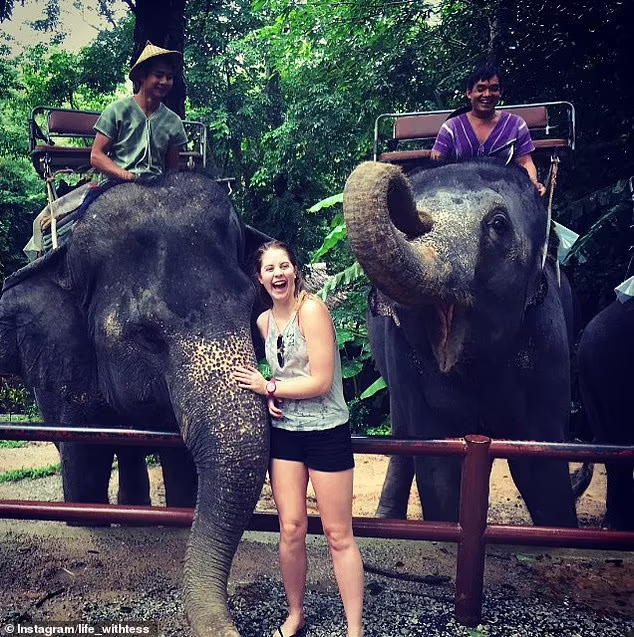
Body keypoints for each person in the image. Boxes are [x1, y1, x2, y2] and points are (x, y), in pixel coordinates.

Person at [233, 240, 364, 637]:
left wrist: (270, 388)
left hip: (326, 433)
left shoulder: (312, 311)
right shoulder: (263, 323)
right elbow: (282, 375)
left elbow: (321, 381)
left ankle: (354, 629)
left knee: (338, 534)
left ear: (295, 271)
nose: (278, 274)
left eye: (284, 266)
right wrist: (271, 396)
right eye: (270, 269)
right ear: (260, 278)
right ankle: (295, 615)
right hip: (286, 436)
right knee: (291, 528)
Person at [431, 65, 546, 195]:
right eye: (480, 89)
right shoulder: (451, 128)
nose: (487, 94)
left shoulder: (516, 125)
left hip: (506, 194)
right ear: (469, 93)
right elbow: (437, 166)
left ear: (500, 92)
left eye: (494, 89)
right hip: (461, 195)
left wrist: (533, 183)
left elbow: (525, 162)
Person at [90, 40, 188, 184]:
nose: (164, 81)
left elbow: (172, 169)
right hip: (118, 184)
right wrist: (128, 176)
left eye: (169, 77)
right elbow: (96, 156)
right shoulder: (117, 110)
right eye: (159, 75)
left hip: (156, 187)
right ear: (142, 76)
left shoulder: (173, 121)